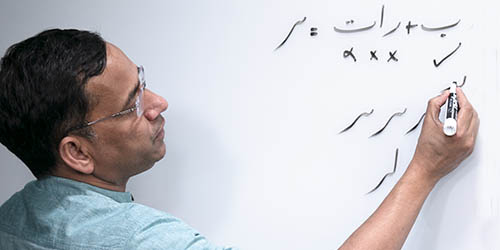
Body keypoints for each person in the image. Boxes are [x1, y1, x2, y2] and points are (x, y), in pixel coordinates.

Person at [0, 29, 479, 250]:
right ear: (77, 152)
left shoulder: (11, 220)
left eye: (142, 80)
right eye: (133, 102)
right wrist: (425, 168)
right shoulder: (144, 242)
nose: (158, 103)